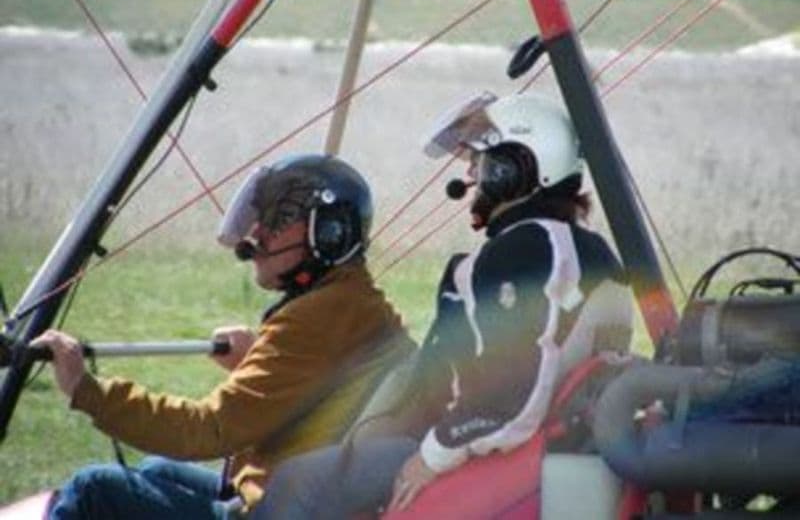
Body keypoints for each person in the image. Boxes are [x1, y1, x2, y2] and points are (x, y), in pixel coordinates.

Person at [249, 92, 633, 519]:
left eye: (480, 160)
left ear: (513, 169)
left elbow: (509, 396)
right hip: (533, 444)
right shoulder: (583, 248)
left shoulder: (526, 247)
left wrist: (431, 458)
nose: (471, 173)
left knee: (295, 483)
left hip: (478, 448)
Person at [31, 153, 415, 519]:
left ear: (329, 233)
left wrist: (87, 390)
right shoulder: (357, 304)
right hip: (300, 499)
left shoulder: (320, 316)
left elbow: (208, 430)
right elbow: (319, 397)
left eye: (277, 219)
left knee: (93, 489)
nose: (256, 233)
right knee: (157, 469)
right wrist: (256, 362)